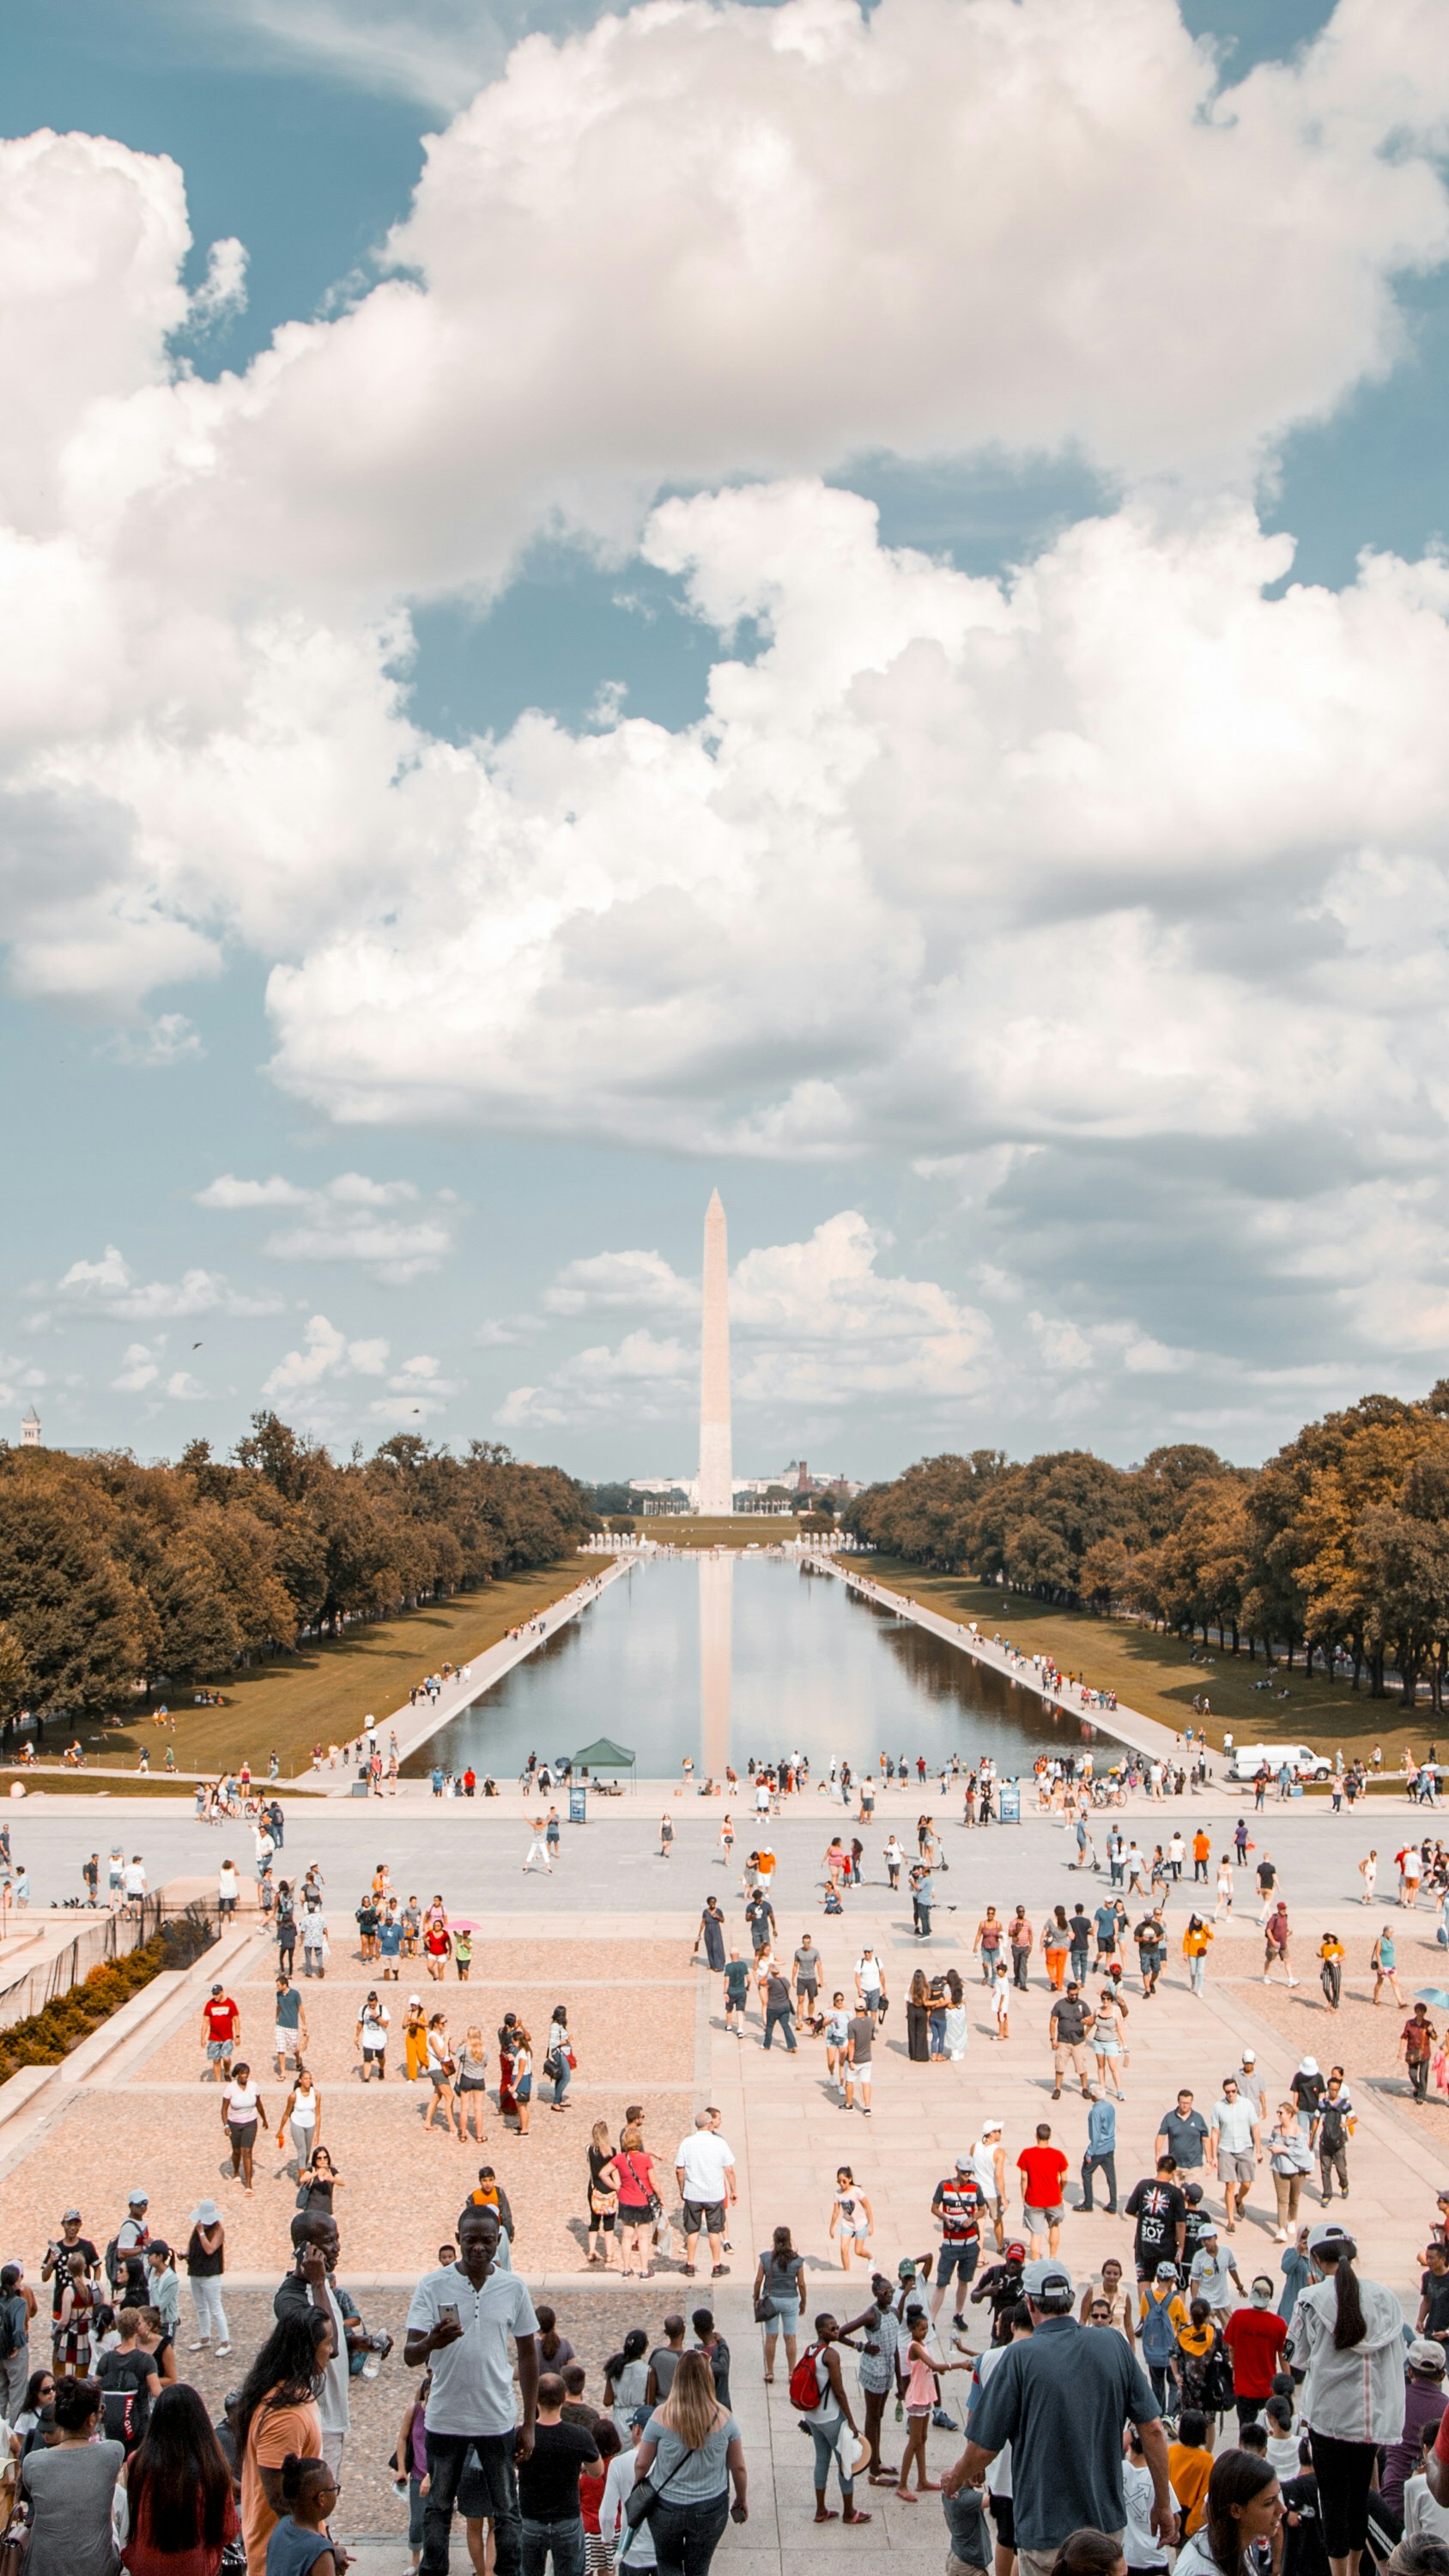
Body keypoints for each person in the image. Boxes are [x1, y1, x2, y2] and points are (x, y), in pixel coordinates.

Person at [943, 2255, 1173, 2576]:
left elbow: (983, 2448)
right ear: (1071, 2301)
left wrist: (955, 2477)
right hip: (1105, 2534)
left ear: (1031, 2304)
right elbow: (1153, 2429)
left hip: (1045, 2537)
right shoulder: (1114, 2343)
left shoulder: (1018, 2358)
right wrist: (1162, 2504)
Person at [403, 2203, 540, 2576]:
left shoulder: (513, 2287)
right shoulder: (433, 2285)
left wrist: (528, 2423)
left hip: (496, 2419)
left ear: (499, 2241)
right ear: (457, 2240)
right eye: (470, 2241)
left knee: (507, 2509)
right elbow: (410, 2355)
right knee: (438, 2509)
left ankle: (508, 2572)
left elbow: (529, 2355)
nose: (478, 2248)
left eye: (487, 2241)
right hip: (446, 2418)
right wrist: (432, 2340)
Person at [1289, 2220, 1406, 2576]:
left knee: (1332, 2500)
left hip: (1329, 2417)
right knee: (1359, 2497)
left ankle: (1340, 2572)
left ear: (1316, 2258)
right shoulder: (1386, 2297)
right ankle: (1354, 2570)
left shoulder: (1311, 2298)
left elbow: (1296, 2355)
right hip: (1371, 2420)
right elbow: (1398, 2355)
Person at [632, 2346, 748, 2570]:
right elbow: (738, 2467)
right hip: (710, 2507)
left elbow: (642, 2463)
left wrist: (638, 2484)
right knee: (699, 2567)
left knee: (667, 2565)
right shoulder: (725, 2419)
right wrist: (741, 2498)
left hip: (666, 2506)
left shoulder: (661, 2416)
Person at [236, 2310, 331, 2576]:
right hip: (283, 2559)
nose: (333, 2351)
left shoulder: (293, 2397)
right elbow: (280, 2499)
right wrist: (319, 2549)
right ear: (309, 2350)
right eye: (328, 2343)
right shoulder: (285, 2414)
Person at [118, 2379, 240, 2575]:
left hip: (145, 2566)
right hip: (195, 2568)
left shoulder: (137, 2462)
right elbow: (227, 2531)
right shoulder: (213, 2469)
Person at [17, 2370, 124, 2576]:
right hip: (97, 2566)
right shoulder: (113, 2452)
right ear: (92, 2419)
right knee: (118, 2499)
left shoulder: (34, 2462)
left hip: (44, 2566)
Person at [273, 2215, 353, 2476]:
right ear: (307, 2249)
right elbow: (330, 2346)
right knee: (318, 2505)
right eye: (330, 2241)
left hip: (333, 2417)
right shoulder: (290, 2299)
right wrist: (318, 2281)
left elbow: (338, 2340)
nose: (337, 2247)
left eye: (337, 2238)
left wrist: (360, 2342)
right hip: (315, 2421)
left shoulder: (322, 2288)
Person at [516, 2370, 599, 2576]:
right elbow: (597, 2471)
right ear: (564, 2398)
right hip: (567, 2518)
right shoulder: (579, 2435)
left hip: (530, 2518)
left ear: (535, 2398)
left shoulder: (522, 2434)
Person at [794, 2317, 870, 2528]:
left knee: (821, 2460)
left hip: (813, 2417)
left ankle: (821, 2510)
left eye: (837, 2327)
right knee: (846, 2463)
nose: (837, 2331)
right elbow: (839, 2392)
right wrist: (852, 2423)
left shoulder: (810, 2350)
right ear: (821, 2330)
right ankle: (849, 2512)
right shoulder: (831, 2355)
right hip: (831, 2418)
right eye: (832, 2328)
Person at [1173, 2448, 1283, 2576]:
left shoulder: (1234, 2539)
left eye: (1278, 2497)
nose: (1282, 2509)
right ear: (1236, 2510)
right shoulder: (1204, 2570)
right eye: (1269, 2502)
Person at [674, 2114, 736, 2281]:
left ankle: (690, 2264)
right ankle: (716, 2265)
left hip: (693, 2193)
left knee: (692, 2230)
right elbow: (729, 2169)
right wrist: (733, 2190)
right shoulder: (719, 2143)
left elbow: (679, 2169)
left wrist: (682, 2188)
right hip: (714, 2193)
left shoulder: (687, 2143)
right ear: (709, 2124)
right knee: (714, 2231)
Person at [1223, 2279, 1288, 2429]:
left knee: (1246, 2430)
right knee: (1268, 2430)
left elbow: (1230, 2348)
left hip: (1244, 2388)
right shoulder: (1278, 2324)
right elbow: (1283, 2357)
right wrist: (1287, 2384)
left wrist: (1235, 2368)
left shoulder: (1238, 2317)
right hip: (1267, 2389)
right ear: (1269, 2298)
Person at [931, 2160, 985, 2331]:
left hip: (969, 2243)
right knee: (942, 2282)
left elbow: (983, 2209)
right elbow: (934, 2207)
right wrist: (946, 2218)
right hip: (950, 2243)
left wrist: (973, 2218)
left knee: (964, 2280)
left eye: (969, 2173)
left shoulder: (975, 2188)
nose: (966, 2176)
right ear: (956, 2170)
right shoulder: (944, 2186)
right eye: (964, 2173)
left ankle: (958, 2314)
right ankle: (931, 2320)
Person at [1208, 2079, 1262, 2233]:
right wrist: (1213, 2156)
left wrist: (1258, 2150)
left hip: (1244, 2146)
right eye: (1228, 2092)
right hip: (1226, 2148)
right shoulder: (1218, 2107)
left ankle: (1239, 2200)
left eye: (1233, 2091)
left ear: (1237, 2089)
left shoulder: (1247, 2104)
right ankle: (1231, 2220)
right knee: (1229, 2184)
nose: (1230, 2094)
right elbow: (1215, 2131)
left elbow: (1255, 2127)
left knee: (1247, 2183)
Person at [753, 2227, 804, 2384]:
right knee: (790, 2336)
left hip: (771, 2301)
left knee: (771, 2335)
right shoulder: (797, 2260)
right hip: (790, 2300)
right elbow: (801, 2284)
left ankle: (770, 2371)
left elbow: (758, 2281)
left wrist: (756, 2298)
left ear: (774, 2239)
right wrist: (804, 2301)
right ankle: (791, 2372)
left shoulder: (766, 2258)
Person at [1125, 2162, 1186, 2283]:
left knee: (1143, 2281)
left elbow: (1130, 2210)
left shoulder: (1143, 2185)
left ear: (1157, 2168)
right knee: (1165, 2283)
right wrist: (1180, 2247)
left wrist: (1144, 2218)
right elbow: (1180, 2223)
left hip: (1144, 2245)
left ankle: (1145, 2302)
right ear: (1173, 2172)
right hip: (1166, 2247)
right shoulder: (1176, 2193)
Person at [185, 2202, 229, 2359]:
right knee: (201, 2308)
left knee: (216, 2308)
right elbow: (194, 2248)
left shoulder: (217, 2230)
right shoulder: (198, 2228)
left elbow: (210, 2249)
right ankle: (205, 2337)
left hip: (210, 2275)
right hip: (196, 2272)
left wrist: (202, 2233)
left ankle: (225, 2342)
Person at [1018, 2126, 1070, 2261]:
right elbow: (1064, 2179)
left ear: (1036, 2135)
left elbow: (1024, 2178)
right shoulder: (1058, 2155)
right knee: (1055, 2226)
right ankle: (1053, 2257)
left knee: (1036, 2233)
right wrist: (1060, 2190)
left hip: (1034, 2199)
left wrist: (1023, 2195)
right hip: (1054, 2199)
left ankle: (1036, 2262)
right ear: (1050, 2136)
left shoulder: (1026, 2154)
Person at [1268, 2105, 1314, 2241]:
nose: (1279, 2115)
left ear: (1289, 2114)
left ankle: (1292, 2219)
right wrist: (1272, 2148)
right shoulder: (1276, 2130)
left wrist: (1282, 2149)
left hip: (1296, 2170)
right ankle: (1281, 2229)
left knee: (1294, 2197)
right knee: (1282, 2199)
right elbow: (1272, 2143)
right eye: (1277, 2112)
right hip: (1279, 2168)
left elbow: (1301, 2151)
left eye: (1281, 2112)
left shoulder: (1298, 2131)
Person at [221, 2062, 269, 2195]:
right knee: (237, 2151)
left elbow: (259, 2104)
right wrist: (226, 2125)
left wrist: (264, 2119)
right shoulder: (230, 2088)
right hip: (234, 2123)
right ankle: (236, 2171)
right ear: (237, 2075)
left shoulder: (254, 2087)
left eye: (246, 2074)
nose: (245, 2076)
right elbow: (224, 2108)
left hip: (250, 2122)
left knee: (247, 2151)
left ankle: (248, 2184)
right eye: (242, 2073)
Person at [1050, 1987, 1095, 2100]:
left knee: (1082, 2067)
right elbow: (1053, 2021)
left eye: (1076, 1994)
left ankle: (1084, 2088)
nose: (1074, 1997)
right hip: (1063, 2041)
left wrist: (1086, 2027)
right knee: (1059, 2066)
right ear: (1067, 1993)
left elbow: (1091, 2020)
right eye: (1072, 1995)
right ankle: (1057, 2088)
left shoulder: (1082, 2005)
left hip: (1078, 2041)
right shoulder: (1059, 2005)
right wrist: (1053, 2039)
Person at [830, 2168, 874, 2271]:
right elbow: (836, 2212)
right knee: (843, 2249)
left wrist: (871, 2225)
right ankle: (847, 2273)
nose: (841, 2184)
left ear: (850, 2179)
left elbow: (867, 2207)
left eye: (844, 2181)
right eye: (839, 2181)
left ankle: (871, 2257)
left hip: (860, 2224)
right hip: (847, 2224)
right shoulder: (837, 2194)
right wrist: (831, 2227)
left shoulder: (857, 2191)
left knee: (858, 2251)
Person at [201, 1984, 241, 2083]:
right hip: (214, 2037)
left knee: (226, 2058)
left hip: (227, 2037)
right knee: (216, 2060)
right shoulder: (210, 2004)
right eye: (214, 1994)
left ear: (222, 1992)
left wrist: (237, 2035)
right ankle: (218, 2082)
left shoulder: (230, 2003)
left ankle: (227, 2072)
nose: (215, 1997)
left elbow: (236, 2019)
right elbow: (206, 2021)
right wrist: (203, 2037)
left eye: (217, 1994)